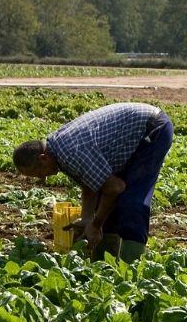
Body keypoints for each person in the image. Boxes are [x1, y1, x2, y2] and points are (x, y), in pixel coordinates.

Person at [13, 102, 173, 261]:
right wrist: (87, 217)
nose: (42, 177)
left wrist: (96, 225)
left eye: (38, 172)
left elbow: (115, 188)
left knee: (131, 201)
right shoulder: (57, 149)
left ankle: (131, 269)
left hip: (151, 129)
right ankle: (104, 265)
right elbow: (91, 182)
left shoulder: (69, 153)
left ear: (43, 158)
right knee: (105, 205)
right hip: (127, 139)